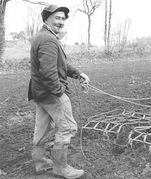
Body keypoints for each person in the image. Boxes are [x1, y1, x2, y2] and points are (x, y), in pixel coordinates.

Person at [28, 4, 89, 179]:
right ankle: (60, 168)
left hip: (41, 94)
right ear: (46, 18)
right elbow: (48, 72)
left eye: (63, 19)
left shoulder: (44, 36)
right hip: (51, 94)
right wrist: (60, 92)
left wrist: (78, 73)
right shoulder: (48, 39)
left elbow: (59, 64)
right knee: (68, 127)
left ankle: (40, 163)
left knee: (41, 129)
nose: (61, 21)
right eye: (57, 17)